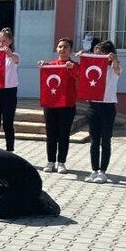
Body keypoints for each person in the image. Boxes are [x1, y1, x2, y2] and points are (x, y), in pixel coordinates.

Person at [37, 38, 79, 174]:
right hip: (51, 104)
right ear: (57, 49)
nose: (62, 49)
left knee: (64, 134)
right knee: (51, 134)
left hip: (67, 105)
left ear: (70, 50)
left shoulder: (74, 65)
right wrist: (43, 65)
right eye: (60, 47)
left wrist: (72, 69)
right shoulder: (51, 65)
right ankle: (50, 161)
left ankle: (61, 162)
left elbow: (79, 76)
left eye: (66, 47)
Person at [82, 40, 121, 184]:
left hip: (108, 106)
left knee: (105, 140)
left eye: (100, 55)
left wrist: (114, 60)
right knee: (94, 140)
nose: (97, 57)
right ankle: (94, 170)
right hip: (93, 106)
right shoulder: (93, 69)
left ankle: (103, 171)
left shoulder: (113, 69)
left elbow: (117, 69)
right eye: (95, 54)